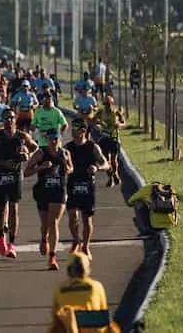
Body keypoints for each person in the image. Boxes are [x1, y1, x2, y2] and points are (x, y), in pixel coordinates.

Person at [0, 109, 37, 258]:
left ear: (15, 119)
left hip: (15, 175)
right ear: (2, 120)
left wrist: (27, 154)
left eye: (11, 118)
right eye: (5, 118)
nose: (8, 120)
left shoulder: (22, 136)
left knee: (14, 208)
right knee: (1, 210)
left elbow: (35, 147)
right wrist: (2, 162)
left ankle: (12, 244)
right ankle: (1, 237)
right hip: (0, 174)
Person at [25, 129, 73, 271]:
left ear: (60, 139)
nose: (53, 142)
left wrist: (67, 167)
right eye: (51, 139)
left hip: (59, 191)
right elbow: (26, 172)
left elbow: (71, 169)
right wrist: (41, 167)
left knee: (53, 223)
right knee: (45, 224)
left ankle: (52, 257)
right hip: (43, 192)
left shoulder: (65, 153)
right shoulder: (40, 153)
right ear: (46, 140)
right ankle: (43, 238)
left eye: (56, 139)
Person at [64, 122, 109, 260]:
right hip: (72, 184)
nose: (72, 131)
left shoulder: (92, 147)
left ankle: (85, 246)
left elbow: (105, 163)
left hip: (87, 185)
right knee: (72, 216)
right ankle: (76, 240)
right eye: (72, 128)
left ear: (83, 131)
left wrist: (97, 168)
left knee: (86, 218)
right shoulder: (68, 147)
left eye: (75, 129)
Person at [50, 252, 118, 333]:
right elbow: (103, 316)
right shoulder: (96, 287)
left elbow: (56, 318)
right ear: (87, 269)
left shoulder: (59, 289)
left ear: (68, 270)